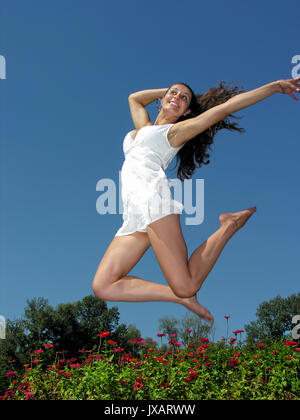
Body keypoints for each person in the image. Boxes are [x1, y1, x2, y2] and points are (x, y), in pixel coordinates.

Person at [93, 77, 300, 323]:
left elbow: (225, 108)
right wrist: (167, 91)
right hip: (134, 214)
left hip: (154, 203)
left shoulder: (173, 132)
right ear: (161, 101)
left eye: (184, 99)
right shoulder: (143, 128)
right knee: (104, 286)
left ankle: (228, 225)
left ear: (187, 112)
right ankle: (177, 297)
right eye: (174, 94)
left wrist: (274, 87)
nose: (176, 98)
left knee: (188, 286)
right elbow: (134, 98)